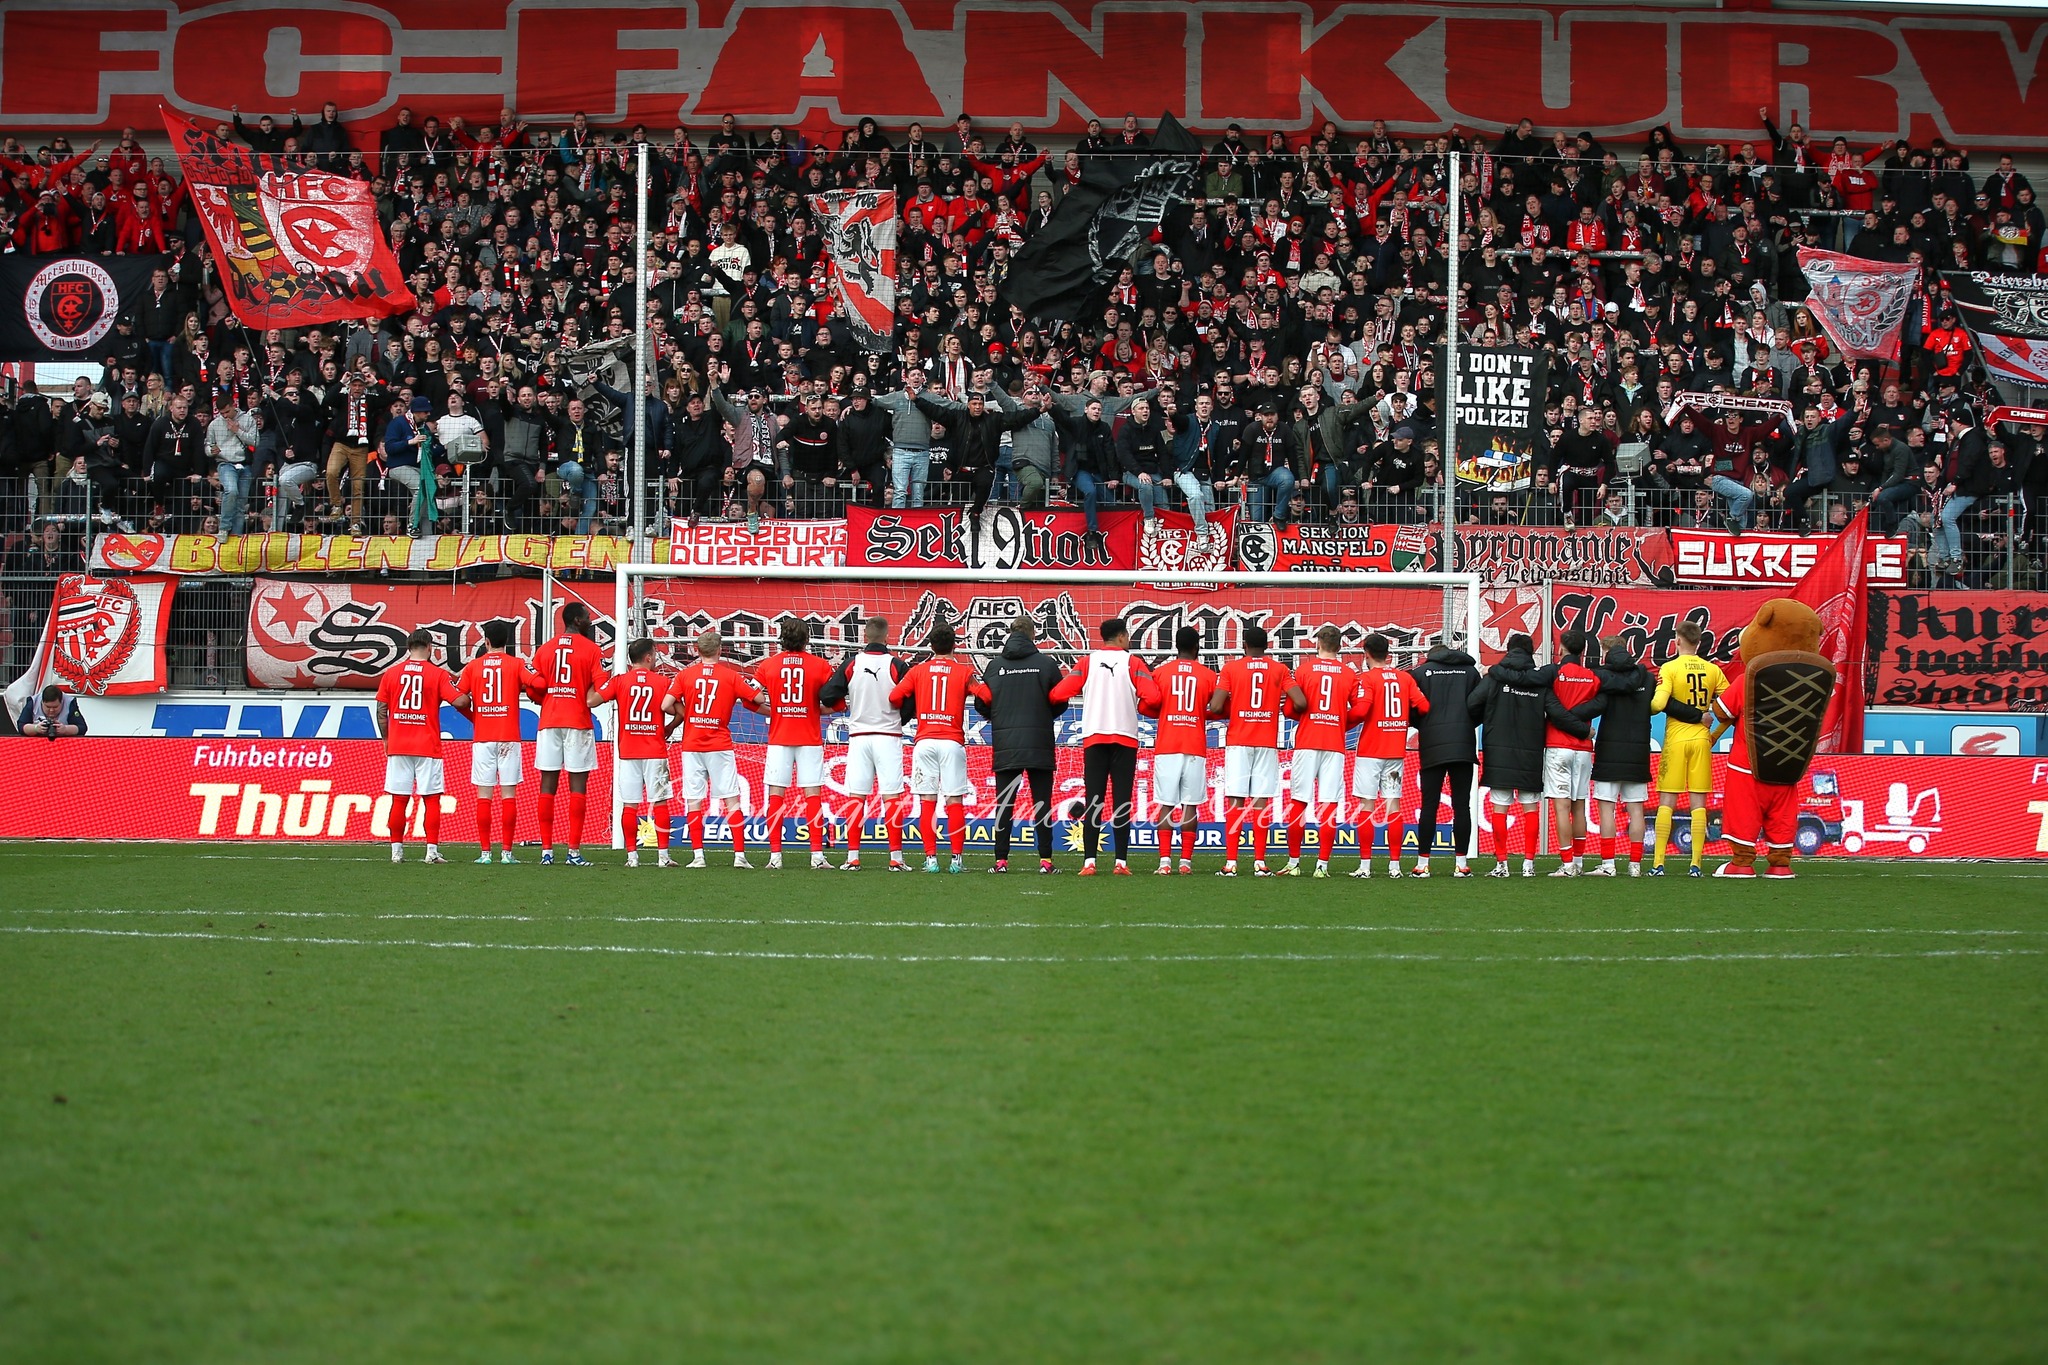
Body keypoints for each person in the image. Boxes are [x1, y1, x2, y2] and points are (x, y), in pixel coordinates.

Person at [1577, 634, 1703, 877]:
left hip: (1609, 752)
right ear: (1627, 650)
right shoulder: (1646, 677)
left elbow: (1592, 706)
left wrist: (1562, 715)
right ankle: (1635, 865)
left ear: (1606, 653)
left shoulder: (1602, 678)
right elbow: (1670, 705)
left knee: (1607, 809)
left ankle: (1608, 865)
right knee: (1636, 810)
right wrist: (1698, 715)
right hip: (1638, 752)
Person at [1469, 632, 1591, 876]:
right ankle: (1528, 865)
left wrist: (1490, 716)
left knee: (1500, 809)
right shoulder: (1539, 683)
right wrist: (1584, 730)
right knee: (1531, 808)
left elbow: (1472, 703)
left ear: (1508, 650)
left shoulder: (1494, 679)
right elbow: (1558, 713)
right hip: (1531, 753)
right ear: (1531, 653)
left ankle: (1501, 864)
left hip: (1498, 752)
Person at [1050, 616, 1158, 875]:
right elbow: (1154, 697)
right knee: (1122, 801)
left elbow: (1057, 694)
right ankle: (1121, 862)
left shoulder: (1087, 662)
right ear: (1121, 637)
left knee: (1094, 800)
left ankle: (1089, 862)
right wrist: (1139, 705)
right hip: (1125, 738)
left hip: (1094, 738)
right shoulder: (1133, 662)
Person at [890, 622, 990, 873]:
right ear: (954, 645)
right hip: (952, 741)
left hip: (924, 742)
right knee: (954, 800)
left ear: (931, 646)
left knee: (927, 801)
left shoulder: (917, 671)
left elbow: (894, 697)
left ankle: (931, 859)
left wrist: (918, 702)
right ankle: (956, 860)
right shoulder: (964, 672)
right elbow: (986, 695)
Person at [667, 629, 768, 868]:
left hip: (692, 744)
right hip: (719, 744)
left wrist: (687, 714)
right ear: (720, 650)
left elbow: (666, 703)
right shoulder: (730, 676)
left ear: (697, 651)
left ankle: (698, 857)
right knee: (731, 800)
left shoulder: (685, 675)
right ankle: (739, 856)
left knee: (694, 801)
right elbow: (759, 699)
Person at [975, 612, 1067, 874]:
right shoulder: (1046, 664)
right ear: (1033, 634)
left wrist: (999, 716)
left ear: (1010, 634)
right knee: (1042, 804)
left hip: (1006, 743)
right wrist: (1043, 715)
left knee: (1004, 804)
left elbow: (981, 702)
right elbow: (1062, 700)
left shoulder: (994, 666)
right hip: (1039, 742)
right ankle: (1046, 861)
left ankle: (1001, 861)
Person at [1208, 624, 1303, 876]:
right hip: (1267, 741)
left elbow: (1215, 707)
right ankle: (1260, 862)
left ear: (1244, 645)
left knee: (1236, 800)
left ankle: (1231, 863)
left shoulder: (1231, 668)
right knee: (1261, 801)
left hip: (1239, 740)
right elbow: (1301, 701)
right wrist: (1277, 706)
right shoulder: (1279, 669)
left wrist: (1236, 704)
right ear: (1267, 646)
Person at [820, 615, 912, 871]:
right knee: (892, 796)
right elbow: (912, 699)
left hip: (859, 737)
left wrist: (843, 703)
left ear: (864, 636)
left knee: (856, 796)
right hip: (888, 736)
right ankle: (895, 858)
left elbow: (827, 695)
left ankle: (852, 857)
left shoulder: (852, 663)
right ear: (887, 637)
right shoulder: (897, 665)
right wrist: (899, 718)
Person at [373, 629, 470, 864]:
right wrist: (467, 693)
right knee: (431, 799)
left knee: (399, 799)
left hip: (399, 744)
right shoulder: (437, 674)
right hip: (427, 745)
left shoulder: (391, 674)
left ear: (408, 648)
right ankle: (431, 852)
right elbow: (460, 701)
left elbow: (381, 711)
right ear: (430, 647)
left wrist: (386, 739)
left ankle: (396, 852)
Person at [753, 617, 840, 870]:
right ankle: (817, 857)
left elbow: (749, 697)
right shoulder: (820, 666)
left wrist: (772, 711)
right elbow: (838, 702)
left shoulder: (768, 665)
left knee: (775, 796)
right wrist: (816, 710)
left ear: (782, 637)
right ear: (806, 639)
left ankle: (775, 858)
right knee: (813, 796)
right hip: (809, 738)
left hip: (779, 737)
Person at [456, 619, 538, 864]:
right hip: (509, 737)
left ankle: (485, 853)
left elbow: (458, 698)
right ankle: (507, 853)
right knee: (508, 794)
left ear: (486, 642)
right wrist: (534, 693)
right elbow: (537, 683)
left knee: (484, 795)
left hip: (483, 737)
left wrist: (475, 717)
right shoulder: (516, 664)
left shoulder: (473, 667)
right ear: (508, 642)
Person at [1650, 620, 1727, 877]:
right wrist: (1714, 734)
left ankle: (1658, 864)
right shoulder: (1712, 670)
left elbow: (1658, 704)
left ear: (1678, 641)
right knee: (1698, 804)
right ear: (1699, 642)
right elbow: (1731, 707)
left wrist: (1642, 705)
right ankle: (1695, 865)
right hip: (1702, 740)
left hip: (1676, 739)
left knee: (1667, 801)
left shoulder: (1669, 668)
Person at [1282, 625, 1360, 878]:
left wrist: (1306, 717)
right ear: (1340, 646)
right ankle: (1322, 866)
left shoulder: (1304, 670)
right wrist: (1340, 722)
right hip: (1334, 744)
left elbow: (1290, 709)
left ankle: (1294, 863)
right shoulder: (1349, 674)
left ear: (1317, 644)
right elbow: (1360, 710)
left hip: (1307, 741)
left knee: (1299, 801)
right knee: (1329, 804)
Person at [531, 601, 605, 866]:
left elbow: (533, 686)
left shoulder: (545, 649)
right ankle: (573, 852)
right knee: (578, 786)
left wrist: (548, 699)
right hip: (578, 721)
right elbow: (600, 687)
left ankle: (546, 852)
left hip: (550, 720)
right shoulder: (591, 649)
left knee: (547, 785)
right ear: (576, 620)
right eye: (587, 617)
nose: (590, 621)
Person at [596, 638, 680, 869]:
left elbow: (592, 701)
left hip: (628, 751)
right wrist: (669, 727)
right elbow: (680, 711)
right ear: (648, 657)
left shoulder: (619, 681)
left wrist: (594, 678)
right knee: (660, 803)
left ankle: (632, 857)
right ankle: (663, 857)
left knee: (629, 806)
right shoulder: (662, 682)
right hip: (655, 751)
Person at [1351, 633, 1430, 878]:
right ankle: (1394, 866)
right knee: (1393, 805)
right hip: (1395, 750)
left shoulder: (1367, 678)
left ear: (1366, 654)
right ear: (1389, 654)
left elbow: (1361, 710)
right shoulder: (1404, 678)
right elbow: (1424, 706)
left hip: (1370, 751)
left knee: (1367, 805)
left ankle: (1365, 867)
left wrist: (1343, 722)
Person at [1144, 627, 1216, 875]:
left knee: (1166, 804)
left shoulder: (1160, 673)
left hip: (1167, 745)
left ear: (1176, 646)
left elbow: (1144, 705)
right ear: (1197, 647)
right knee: (1190, 805)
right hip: (1195, 746)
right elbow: (1220, 708)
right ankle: (1185, 863)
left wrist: (1165, 713)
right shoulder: (1208, 675)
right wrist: (1200, 715)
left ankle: (1164, 863)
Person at [1541, 627, 1602, 877]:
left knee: (1561, 807)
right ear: (1583, 651)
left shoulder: (1554, 674)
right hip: (1583, 749)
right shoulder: (1592, 677)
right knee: (1579, 807)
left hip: (1558, 746)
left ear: (1561, 648)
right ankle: (1578, 861)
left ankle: (1567, 865)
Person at [14, 684, 87, 739]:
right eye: (48, 707)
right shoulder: (33, 702)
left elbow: (82, 728)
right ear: (42, 702)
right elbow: (21, 726)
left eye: (55, 707)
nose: (51, 710)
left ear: (61, 702)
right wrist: (36, 728)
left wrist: (65, 729)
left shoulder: (69, 703)